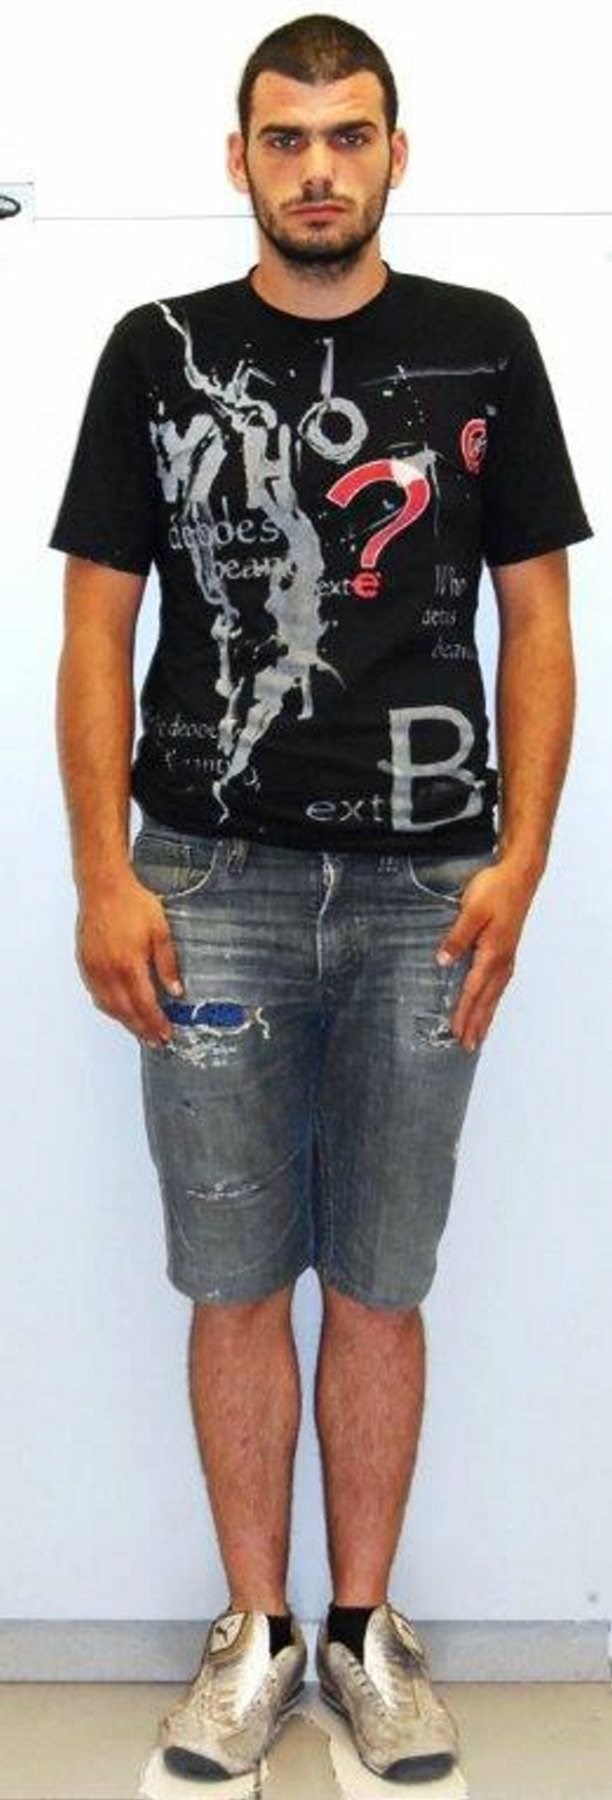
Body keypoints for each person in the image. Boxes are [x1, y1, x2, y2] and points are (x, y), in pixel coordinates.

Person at [49, 13, 592, 1785]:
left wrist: (521, 860)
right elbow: (95, 630)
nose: (317, 168)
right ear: (239, 161)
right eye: (284, 138)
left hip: (432, 890)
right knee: (230, 1280)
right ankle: (253, 1630)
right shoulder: (154, 354)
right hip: (207, 881)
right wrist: (103, 875)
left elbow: (537, 621)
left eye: (348, 135)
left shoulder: (485, 346)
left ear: (395, 155)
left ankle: (360, 1635)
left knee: (378, 1275)